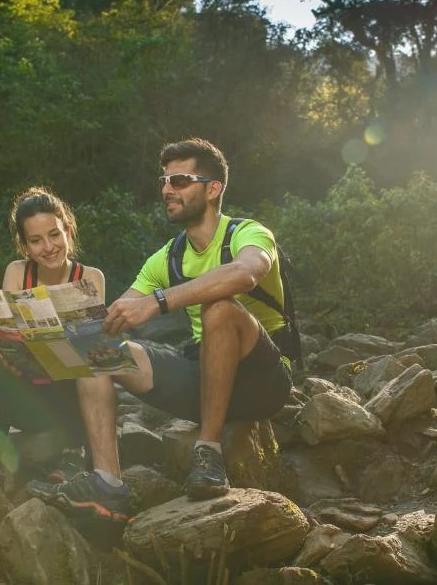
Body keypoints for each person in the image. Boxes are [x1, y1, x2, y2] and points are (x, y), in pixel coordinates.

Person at [27, 138, 292, 521]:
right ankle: (108, 482)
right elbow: (109, 320)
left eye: (180, 180)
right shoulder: (165, 258)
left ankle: (208, 452)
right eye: (165, 181)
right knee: (95, 351)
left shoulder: (246, 234)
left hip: (262, 381)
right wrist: (28, 331)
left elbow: (245, 274)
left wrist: (159, 301)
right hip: (202, 378)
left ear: (213, 188)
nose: (167, 189)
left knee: (218, 308)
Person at [0, 186, 104, 488]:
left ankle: (74, 452)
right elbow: (4, 336)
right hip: (30, 400)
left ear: (68, 231)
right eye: (36, 240)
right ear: (25, 246)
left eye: (54, 235)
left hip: (69, 403)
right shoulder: (17, 273)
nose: (48, 246)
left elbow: (93, 347)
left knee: (86, 369)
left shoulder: (90, 278)